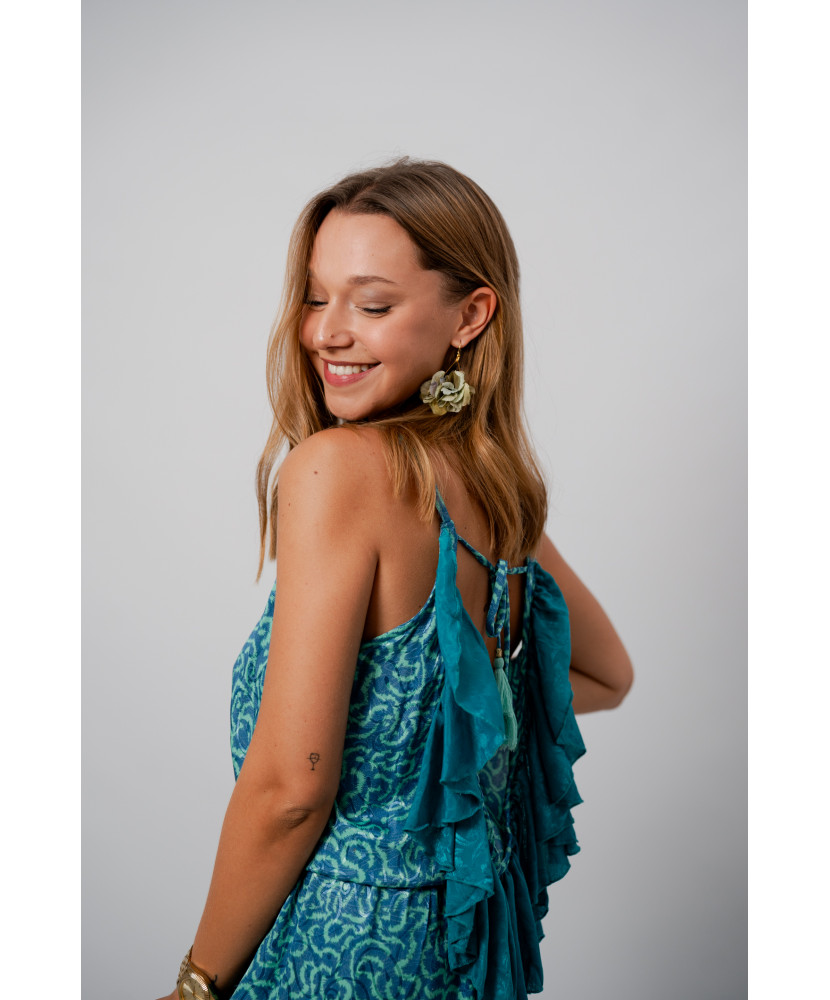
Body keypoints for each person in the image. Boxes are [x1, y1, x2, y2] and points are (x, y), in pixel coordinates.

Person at [156, 157, 633, 1000]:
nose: (325, 332)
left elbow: (291, 792)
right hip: (458, 948)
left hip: (341, 950)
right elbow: (604, 674)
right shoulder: (496, 492)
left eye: (372, 305)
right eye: (315, 297)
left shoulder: (335, 469)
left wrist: (196, 985)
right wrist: (447, 731)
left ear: (470, 316)